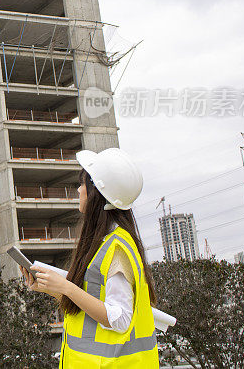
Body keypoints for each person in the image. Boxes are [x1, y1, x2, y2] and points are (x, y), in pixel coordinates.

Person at [20, 148, 159, 368]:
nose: (78, 190)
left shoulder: (117, 248)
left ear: (97, 193)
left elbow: (119, 319)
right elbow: (91, 308)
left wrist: (66, 287)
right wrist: (51, 288)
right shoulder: (104, 243)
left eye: (83, 184)